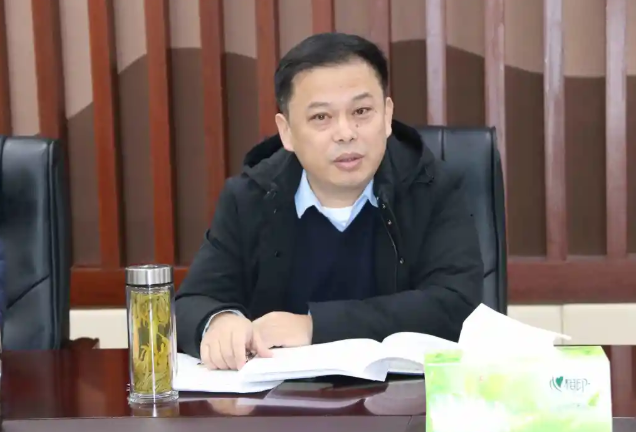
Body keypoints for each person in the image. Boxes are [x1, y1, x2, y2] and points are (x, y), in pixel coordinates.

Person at [175, 32, 483, 370]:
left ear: (387, 115)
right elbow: (191, 303)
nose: (346, 133)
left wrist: (314, 326)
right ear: (287, 131)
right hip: (279, 399)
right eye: (321, 117)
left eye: (361, 111)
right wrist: (218, 321)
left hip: (402, 395)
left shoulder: (432, 188)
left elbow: (456, 307)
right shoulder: (250, 198)